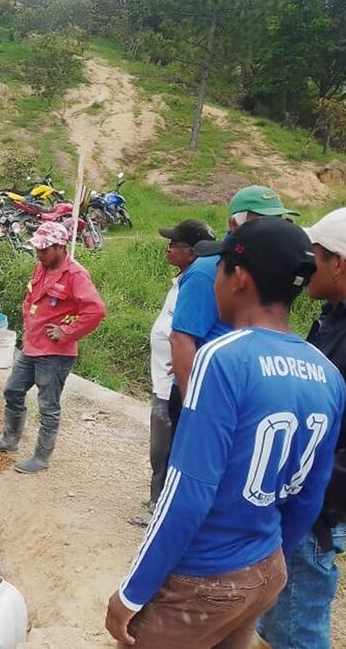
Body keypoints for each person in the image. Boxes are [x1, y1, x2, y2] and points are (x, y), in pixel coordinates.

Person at [105, 217, 346, 649]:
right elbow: (310, 495)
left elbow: (187, 491)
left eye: (219, 268)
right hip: (266, 568)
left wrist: (132, 592)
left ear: (240, 279)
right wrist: (271, 557)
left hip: (205, 577)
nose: (214, 278)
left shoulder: (221, 358)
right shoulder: (326, 372)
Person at [259, 207, 346, 648]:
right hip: (307, 507)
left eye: (313, 254)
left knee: (296, 629)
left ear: (337, 263)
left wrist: (311, 496)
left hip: (316, 517)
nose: (304, 264)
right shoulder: (342, 317)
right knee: (276, 619)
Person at [0, 221, 106, 473]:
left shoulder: (75, 275)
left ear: (60, 247)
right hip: (33, 346)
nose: (39, 253)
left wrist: (67, 331)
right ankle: (9, 439)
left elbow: (96, 310)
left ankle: (41, 457)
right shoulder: (41, 267)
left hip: (55, 353)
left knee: (48, 406)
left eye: (44, 249)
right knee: (13, 390)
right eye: (37, 248)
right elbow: (31, 298)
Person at [167, 186, 297, 434]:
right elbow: (181, 340)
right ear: (233, 224)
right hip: (206, 395)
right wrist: (194, 409)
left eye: (278, 220)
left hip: (244, 394)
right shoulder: (208, 269)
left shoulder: (267, 269)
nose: (273, 228)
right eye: (263, 220)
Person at [130, 219, 215, 528]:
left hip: (173, 385)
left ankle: (159, 506)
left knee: (166, 448)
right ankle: (157, 498)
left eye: (174, 245)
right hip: (162, 382)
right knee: (160, 448)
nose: (168, 249)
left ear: (191, 252)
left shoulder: (199, 285)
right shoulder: (183, 280)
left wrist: (185, 360)